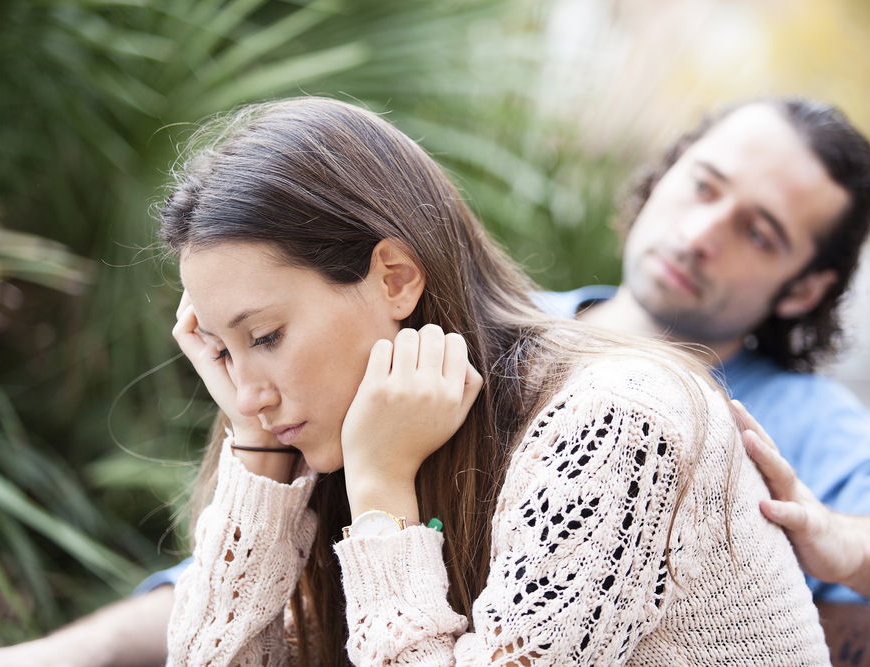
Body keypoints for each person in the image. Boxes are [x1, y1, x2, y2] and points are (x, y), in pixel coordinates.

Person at [159, 96, 830, 665]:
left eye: (266, 336)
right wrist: (258, 447)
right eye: (220, 352)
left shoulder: (616, 421)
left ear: (394, 278)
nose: (247, 390)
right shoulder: (335, 430)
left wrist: (382, 492)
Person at [534, 96, 870, 640]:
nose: (697, 237)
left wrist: (843, 543)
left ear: (804, 289)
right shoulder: (493, 325)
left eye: (758, 234)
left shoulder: (799, 426)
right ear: (671, 167)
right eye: (704, 185)